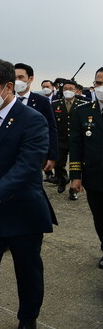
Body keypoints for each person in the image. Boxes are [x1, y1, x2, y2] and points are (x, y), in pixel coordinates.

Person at [0, 59, 57, 329]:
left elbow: (27, 165)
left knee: (27, 273)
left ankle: (28, 319)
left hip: (22, 212)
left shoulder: (32, 120)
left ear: (7, 87)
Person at [69, 67, 103, 270]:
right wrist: (75, 176)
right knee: (100, 217)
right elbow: (76, 145)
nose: (101, 87)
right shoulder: (83, 112)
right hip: (95, 177)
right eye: (98, 83)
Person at [14, 63, 58, 183]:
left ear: (30, 78)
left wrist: (52, 156)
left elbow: (51, 129)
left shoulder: (41, 101)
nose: (17, 81)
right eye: (14, 77)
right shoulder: (6, 100)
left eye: (21, 77)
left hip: (33, 154)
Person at [52, 80, 88, 199]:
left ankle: (74, 190)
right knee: (59, 163)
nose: (68, 91)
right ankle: (63, 180)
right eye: (65, 89)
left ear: (76, 91)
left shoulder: (83, 104)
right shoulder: (55, 104)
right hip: (61, 140)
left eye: (71, 89)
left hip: (77, 140)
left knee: (75, 165)